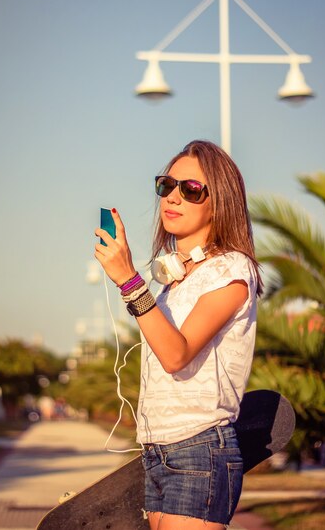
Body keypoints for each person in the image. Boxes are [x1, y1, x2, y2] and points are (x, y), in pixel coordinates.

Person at [94, 140, 263, 530]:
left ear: (219, 202)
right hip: (158, 450)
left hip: (199, 449)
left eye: (191, 189)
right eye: (166, 185)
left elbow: (176, 355)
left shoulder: (232, 271)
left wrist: (128, 281)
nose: (173, 197)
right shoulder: (175, 278)